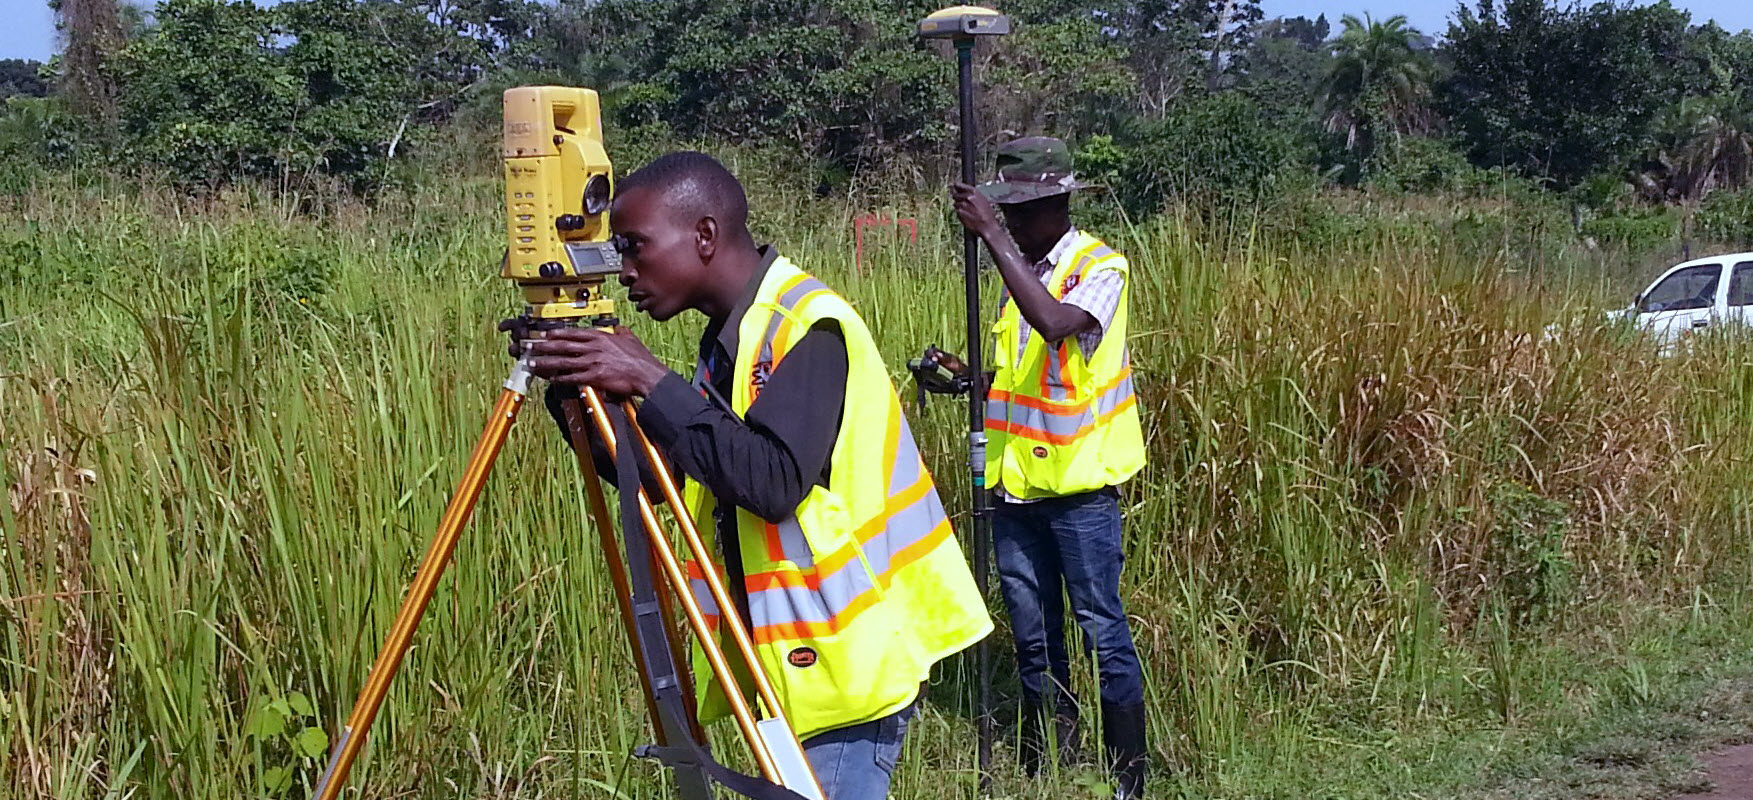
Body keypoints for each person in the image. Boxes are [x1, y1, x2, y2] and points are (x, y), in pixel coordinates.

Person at [522, 151, 992, 799]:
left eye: (635, 246)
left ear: (705, 235)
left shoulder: (806, 326)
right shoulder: (732, 337)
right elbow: (666, 481)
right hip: (785, 666)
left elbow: (770, 483)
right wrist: (576, 392)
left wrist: (649, 379)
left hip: (843, 668)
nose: (624, 269)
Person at [950, 137, 1150, 799]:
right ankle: (1046, 758)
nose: (1007, 221)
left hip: (1079, 489)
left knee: (1102, 627)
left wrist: (988, 238)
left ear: (1054, 204)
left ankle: (1128, 776)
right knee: (1033, 632)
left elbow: (1057, 325)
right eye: (1001, 213)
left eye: (1017, 211)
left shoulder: (1100, 266)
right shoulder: (1022, 272)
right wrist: (965, 381)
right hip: (1016, 488)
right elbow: (1023, 377)